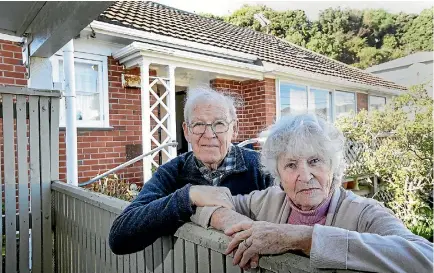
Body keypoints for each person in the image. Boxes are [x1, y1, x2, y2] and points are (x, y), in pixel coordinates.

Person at [191, 114, 433, 273]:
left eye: (315, 161)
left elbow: (426, 258)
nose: (305, 176)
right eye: (291, 165)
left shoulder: (364, 212)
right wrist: (233, 220)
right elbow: (205, 205)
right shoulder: (268, 200)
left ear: (332, 166)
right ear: (278, 175)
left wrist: (303, 238)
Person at [109, 87, 273, 255]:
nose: (209, 134)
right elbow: (119, 238)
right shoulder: (172, 172)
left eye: (219, 124)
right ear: (187, 131)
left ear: (235, 128)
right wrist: (188, 196)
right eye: (199, 124)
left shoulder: (263, 167)